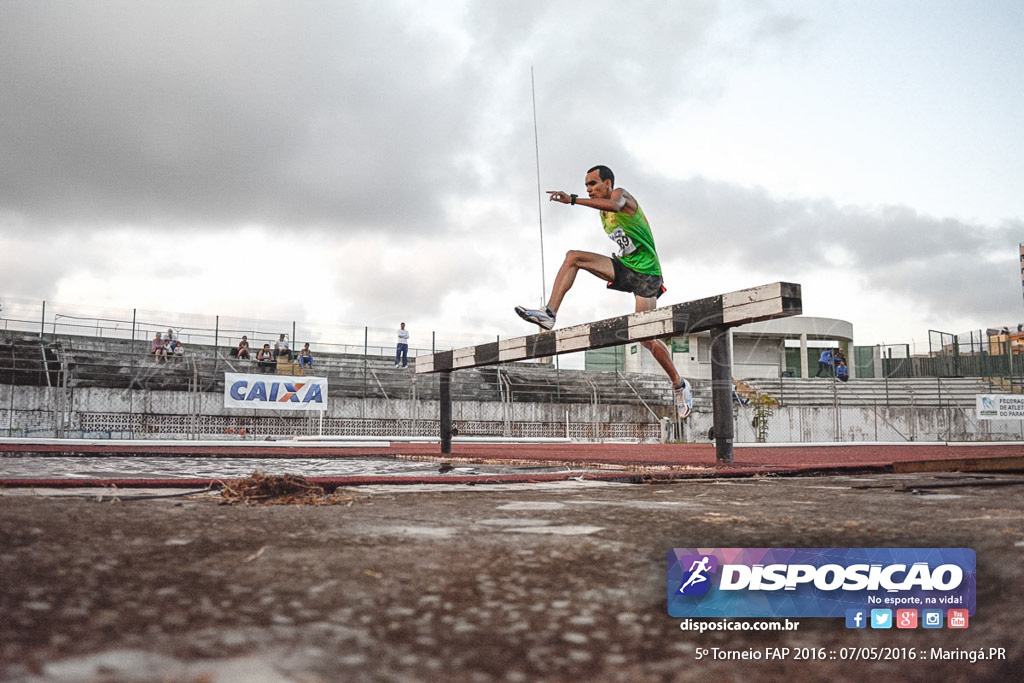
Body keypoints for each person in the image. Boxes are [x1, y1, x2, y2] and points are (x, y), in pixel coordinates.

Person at [514, 165, 692, 418]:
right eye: (586, 185)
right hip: (624, 266)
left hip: (647, 274)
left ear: (607, 184)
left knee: (645, 337)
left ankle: (678, 384)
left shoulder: (620, 195)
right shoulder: (601, 213)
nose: (589, 189)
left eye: (593, 184)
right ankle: (549, 313)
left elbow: (617, 205)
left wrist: (574, 200)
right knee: (573, 257)